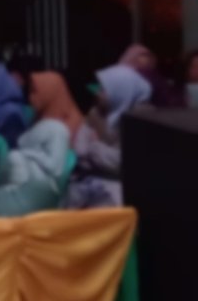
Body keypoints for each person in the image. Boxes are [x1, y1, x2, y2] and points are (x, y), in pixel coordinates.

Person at [64, 64, 152, 209]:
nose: (97, 93)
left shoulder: (140, 120)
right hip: (92, 180)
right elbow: (80, 149)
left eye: (103, 89)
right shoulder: (97, 112)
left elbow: (122, 162)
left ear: (120, 90)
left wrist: (94, 146)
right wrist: (96, 151)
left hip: (122, 191)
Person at [28, 71, 83, 135]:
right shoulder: (36, 117)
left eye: (34, 92)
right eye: (30, 91)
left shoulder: (75, 128)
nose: (31, 98)